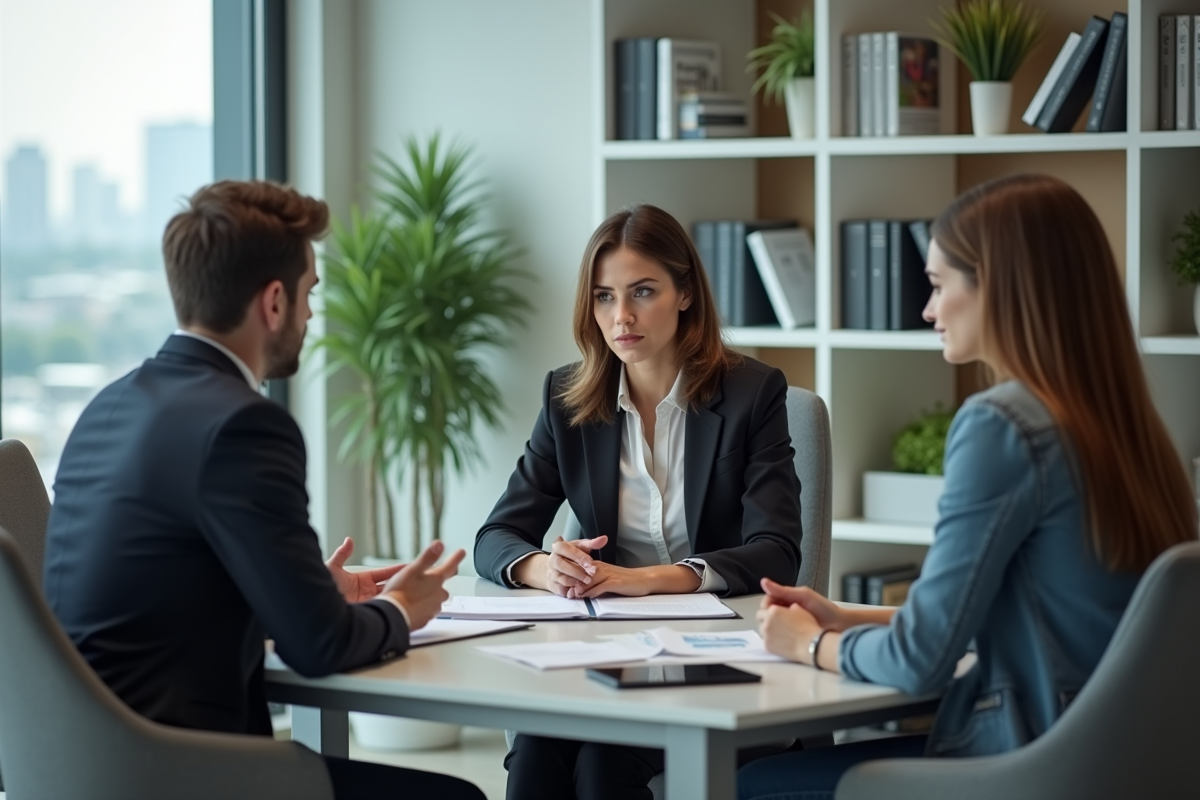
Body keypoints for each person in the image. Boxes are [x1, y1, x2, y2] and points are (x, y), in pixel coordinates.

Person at [738, 174, 1199, 800]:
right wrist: (847, 615)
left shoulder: (1003, 425)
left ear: (1000, 287)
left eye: (937, 284)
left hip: (1030, 761)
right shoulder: (1130, 428)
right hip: (1123, 764)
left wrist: (811, 643)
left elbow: (919, 661)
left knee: (752, 784)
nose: (928, 310)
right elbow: (1034, 618)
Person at [43, 180, 485, 800]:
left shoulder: (107, 407)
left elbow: (157, 590)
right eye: (310, 294)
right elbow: (321, 647)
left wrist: (302, 592)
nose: (310, 316)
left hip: (78, 770)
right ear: (274, 301)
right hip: (183, 775)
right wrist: (400, 609)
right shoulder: (243, 424)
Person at [474, 203, 804, 800]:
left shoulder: (753, 394)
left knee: (603, 764)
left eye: (642, 292)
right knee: (536, 749)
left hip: (720, 657)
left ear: (685, 294)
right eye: (604, 297)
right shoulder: (568, 399)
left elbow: (776, 551)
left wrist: (648, 580)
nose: (620, 316)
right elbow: (495, 537)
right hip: (604, 651)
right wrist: (547, 568)